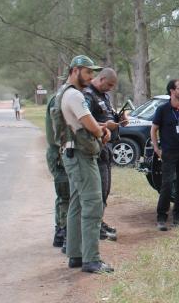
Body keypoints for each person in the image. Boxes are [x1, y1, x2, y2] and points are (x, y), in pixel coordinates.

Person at [57, 55, 113, 273]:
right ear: (75, 70)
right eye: (88, 72)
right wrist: (102, 132)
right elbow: (89, 122)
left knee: (77, 204)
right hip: (81, 155)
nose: (91, 77)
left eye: (93, 73)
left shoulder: (63, 92)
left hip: (71, 153)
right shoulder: (74, 95)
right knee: (92, 204)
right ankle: (91, 259)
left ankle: (76, 255)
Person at [83, 68, 126, 241]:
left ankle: (99, 222)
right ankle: (95, 226)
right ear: (101, 79)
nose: (109, 89)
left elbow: (109, 117)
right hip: (95, 148)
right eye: (108, 85)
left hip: (107, 148)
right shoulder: (87, 95)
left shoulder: (104, 96)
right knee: (98, 191)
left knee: (105, 190)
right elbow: (85, 122)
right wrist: (105, 125)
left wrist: (119, 119)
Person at [150, 79, 179, 231]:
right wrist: (157, 148)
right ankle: (161, 217)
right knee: (167, 185)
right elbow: (153, 130)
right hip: (169, 152)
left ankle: (178, 216)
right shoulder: (162, 110)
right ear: (172, 91)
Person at [44, 94, 69, 250]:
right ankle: (63, 233)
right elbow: (59, 132)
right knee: (65, 195)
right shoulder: (58, 100)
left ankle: (61, 233)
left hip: (60, 153)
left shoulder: (60, 97)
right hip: (59, 154)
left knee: (64, 196)